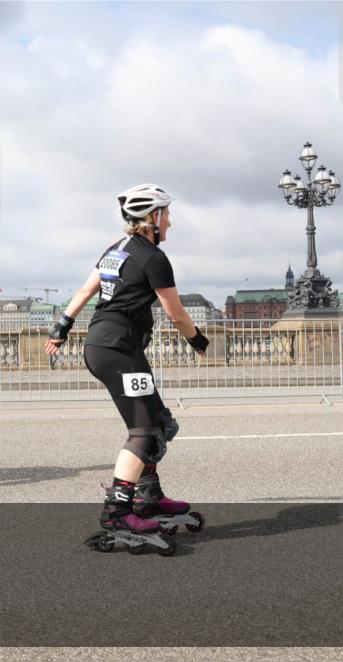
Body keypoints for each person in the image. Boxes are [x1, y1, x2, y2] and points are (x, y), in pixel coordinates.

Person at [44, 184, 208, 536]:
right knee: (146, 431)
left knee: (161, 423)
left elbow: (85, 290)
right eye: (167, 215)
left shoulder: (115, 251)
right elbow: (176, 313)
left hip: (111, 347)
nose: (170, 223)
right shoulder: (153, 258)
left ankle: (149, 496)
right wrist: (197, 339)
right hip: (117, 349)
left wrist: (61, 327)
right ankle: (117, 511)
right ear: (153, 217)